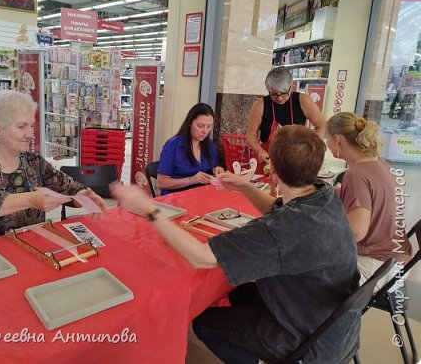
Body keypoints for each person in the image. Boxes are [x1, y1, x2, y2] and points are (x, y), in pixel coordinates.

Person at [111, 125, 360, 364]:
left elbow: (201, 257)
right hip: (335, 326)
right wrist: (245, 187)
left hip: (309, 341)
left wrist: (150, 210)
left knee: (204, 323)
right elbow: (279, 209)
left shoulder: (281, 229)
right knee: (236, 290)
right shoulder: (323, 194)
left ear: (271, 168)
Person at [0, 90, 106, 247]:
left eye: (31, 126)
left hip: (27, 249)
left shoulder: (33, 162)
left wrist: (83, 196)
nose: (30, 134)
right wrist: (30, 199)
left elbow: (67, 187)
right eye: (22, 126)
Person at [325, 112, 412, 288]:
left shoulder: (355, 174)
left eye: (326, 139)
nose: (327, 144)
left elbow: (357, 232)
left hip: (377, 267)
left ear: (336, 139)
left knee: (304, 272)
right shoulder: (380, 164)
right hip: (397, 263)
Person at [245, 67, 326, 171]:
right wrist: (259, 151)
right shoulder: (260, 104)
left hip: (296, 159)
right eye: (274, 94)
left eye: (283, 93)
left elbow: (322, 125)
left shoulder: (303, 100)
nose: (279, 98)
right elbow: (250, 135)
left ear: (290, 87)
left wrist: (310, 146)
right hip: (269, 160)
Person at [156, 103, 224, 195]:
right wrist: (191, 180)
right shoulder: (173, 145)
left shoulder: (209, 146)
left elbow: (212, 173)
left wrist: (216, 170)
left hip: (201, 197)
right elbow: (161, 183)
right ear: (190, 123)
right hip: (176, 200)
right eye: (200, 126)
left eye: (209, 127)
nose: (205, 131)